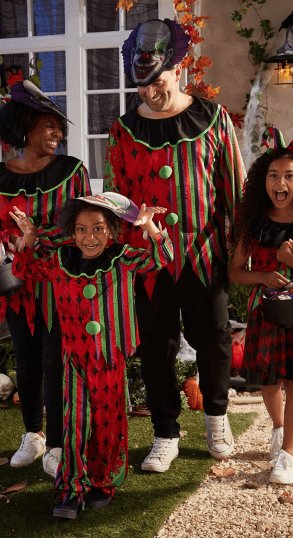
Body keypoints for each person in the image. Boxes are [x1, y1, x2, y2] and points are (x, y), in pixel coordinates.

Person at [104, 18, 245, 472]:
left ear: (179, 68)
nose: (148, 92)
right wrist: (131, 233)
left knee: (215, 342)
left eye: (157, 82)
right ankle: (165, 432)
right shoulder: (123, 131)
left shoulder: (214, 119)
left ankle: (216, 419)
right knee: (157, 348)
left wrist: (241, 250)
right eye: (140, 85)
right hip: (150, 262)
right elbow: (116, 198)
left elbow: (235, 191)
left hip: (205, 256)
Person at [10, 193, 173, 518]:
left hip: (110, 358)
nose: (90, 237)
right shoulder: (59, 261)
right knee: (76, 423)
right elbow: (24, 269)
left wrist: (151, 229)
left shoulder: (124, 257)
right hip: (74, 361)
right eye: (82, 229)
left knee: (108, 422)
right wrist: (28, 238)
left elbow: (161, 258)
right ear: (73, 230)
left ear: (112, 230)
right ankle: (71, 488)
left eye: (98, 229)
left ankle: (104, 481)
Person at [0, 80, 92, 478]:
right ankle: (33, 435)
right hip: (17, 287)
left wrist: (39, 239)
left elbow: (87, 226)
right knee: (27, 360)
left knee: (57, 363)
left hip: (60, 285)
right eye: (49, 125)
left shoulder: (71, 171)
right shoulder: (0, 176)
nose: (57, 134)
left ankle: (56, 444)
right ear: (25, 124)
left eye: (60, 128)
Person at [230, 127, 293, 484]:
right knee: (267, 382)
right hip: (264, 311)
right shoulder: (254, 222)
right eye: (274, 175)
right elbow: (235, 272)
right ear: (263, 179)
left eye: (289, 176)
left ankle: (288, 455)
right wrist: (263, 276)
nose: (281, 183)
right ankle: (279, 429)